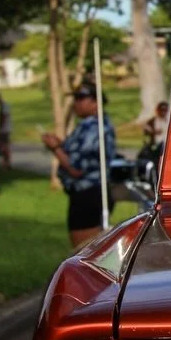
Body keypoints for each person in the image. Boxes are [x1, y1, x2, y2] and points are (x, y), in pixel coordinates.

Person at [41, 83, 117, 249]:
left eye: (81, 98)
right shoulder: (89, 125)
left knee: (84, 252)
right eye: (75, 98)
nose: (76, 103)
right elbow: (80, 153)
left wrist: (55, 148)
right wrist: (62, 145)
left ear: (96, 102)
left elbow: (77, 169)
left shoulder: (94, 128)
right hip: (86, 194)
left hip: (89, 195)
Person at [0, 90, 12, 170]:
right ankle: (6, 163)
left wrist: (0, 129)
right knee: (5, 146)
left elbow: (3, 117)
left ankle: (6, 163)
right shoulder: (3, 105)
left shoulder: (4, 106)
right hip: (6, 128)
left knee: (2, 146)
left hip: (4, 129)